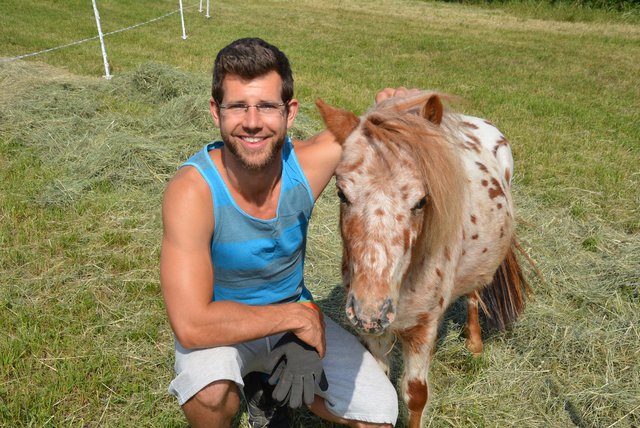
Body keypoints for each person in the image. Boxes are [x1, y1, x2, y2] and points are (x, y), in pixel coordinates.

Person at [160, 37, 402, 428]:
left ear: (290, 113)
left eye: (267, 106)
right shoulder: (192, 191)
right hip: (222, 328)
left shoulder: (307, 166)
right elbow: (191, 324)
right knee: (209, 394)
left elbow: (371, 132)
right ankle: (253, 382)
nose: (253, 121)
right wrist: (298, 318)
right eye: (238, 105)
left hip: (291, 315)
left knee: (380, 414)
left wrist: (390, 111)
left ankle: (269, 386)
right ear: (215, 112)